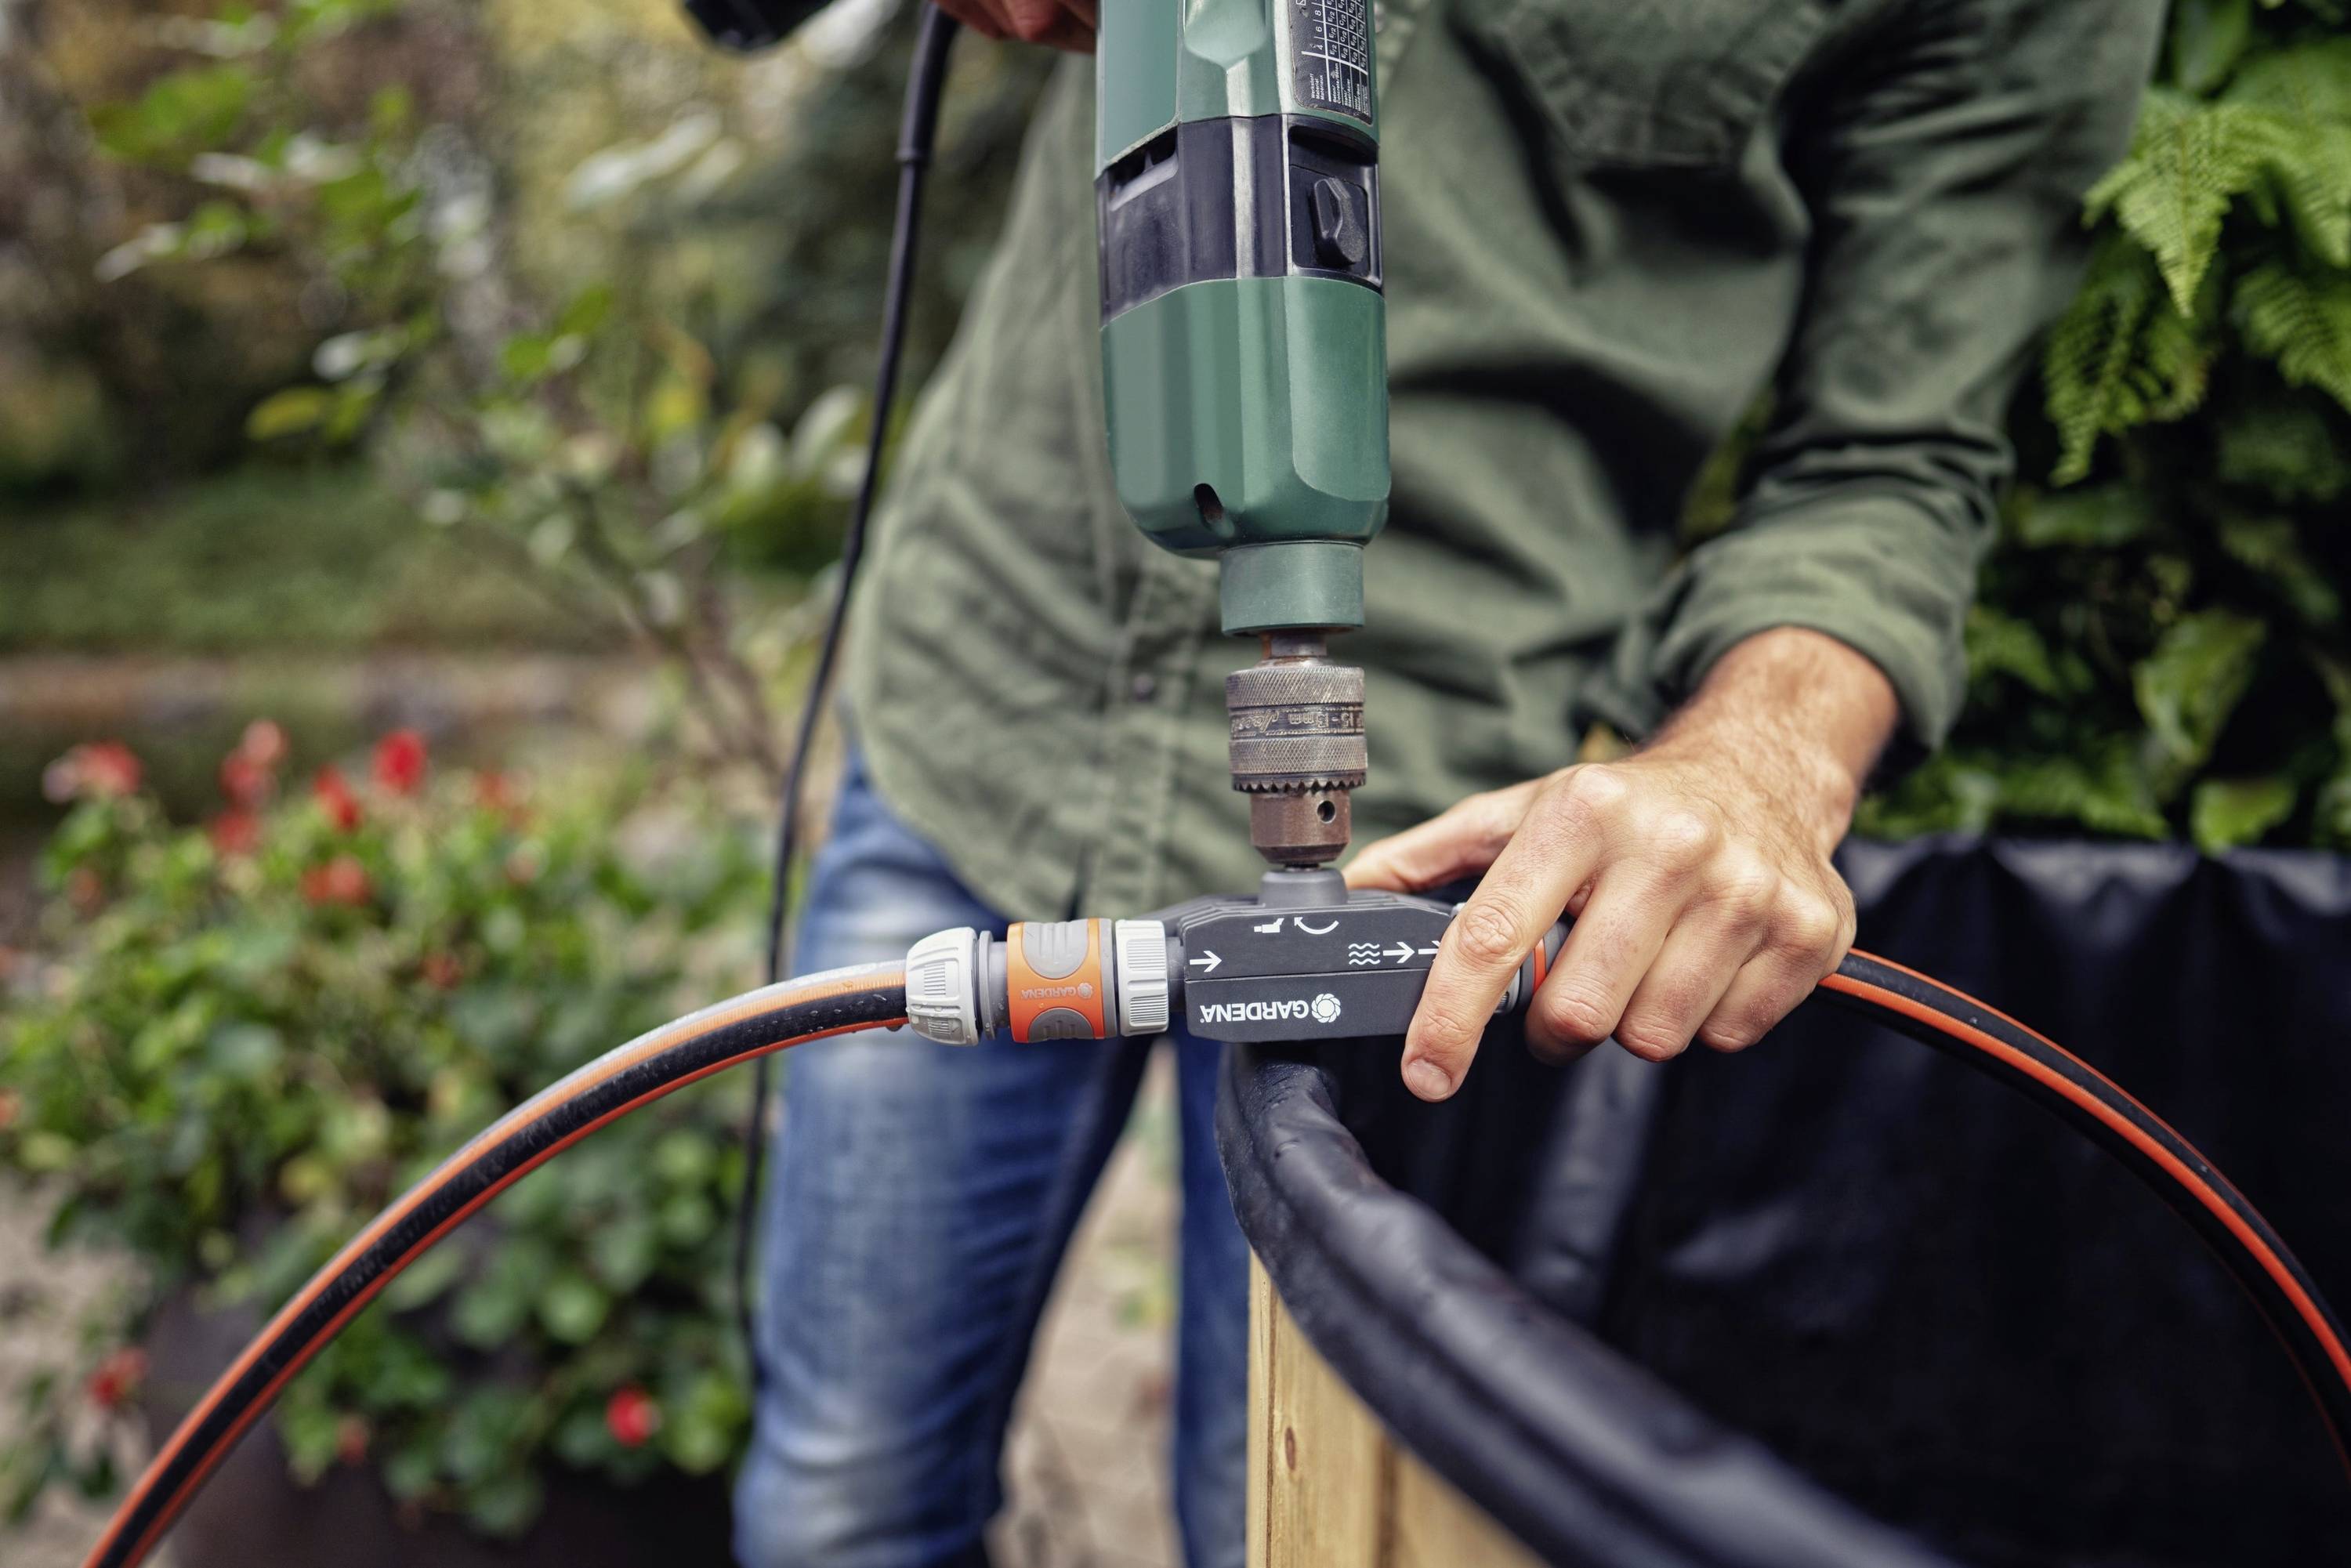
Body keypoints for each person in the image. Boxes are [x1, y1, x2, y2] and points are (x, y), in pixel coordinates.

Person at [731, 2, 2162, 1564]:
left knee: (1278, 1521)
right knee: (840, 1505)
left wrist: (1760, 761)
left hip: (1434, 870)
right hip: (982, 695)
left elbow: (1895, 459)